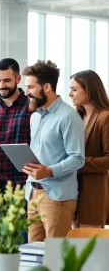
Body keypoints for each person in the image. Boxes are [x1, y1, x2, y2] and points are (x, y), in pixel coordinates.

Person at [22, 60, 85, 241]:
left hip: (58, 198)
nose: (26, 93)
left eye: (31, 87)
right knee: (33, 258)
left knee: (55, 258)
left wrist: (49, 171)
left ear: (47, 87)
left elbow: (78, 158)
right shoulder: (35, 117)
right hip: (33, 193)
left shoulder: (68, 117)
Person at [0, 58, 35, 243]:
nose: (1, 85)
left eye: (6, 80)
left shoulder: (32, 108)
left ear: (18, 79)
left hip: (20, 186)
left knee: (19, 244)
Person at [69, 70, 109, 228]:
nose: (70, 94)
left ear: (89, 89)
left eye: (74, 89)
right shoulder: (77, 117)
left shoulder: (105, 117)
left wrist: (76, 163)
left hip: (93, 191)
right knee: (74, 244)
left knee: (89, 245)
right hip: (73, 188)